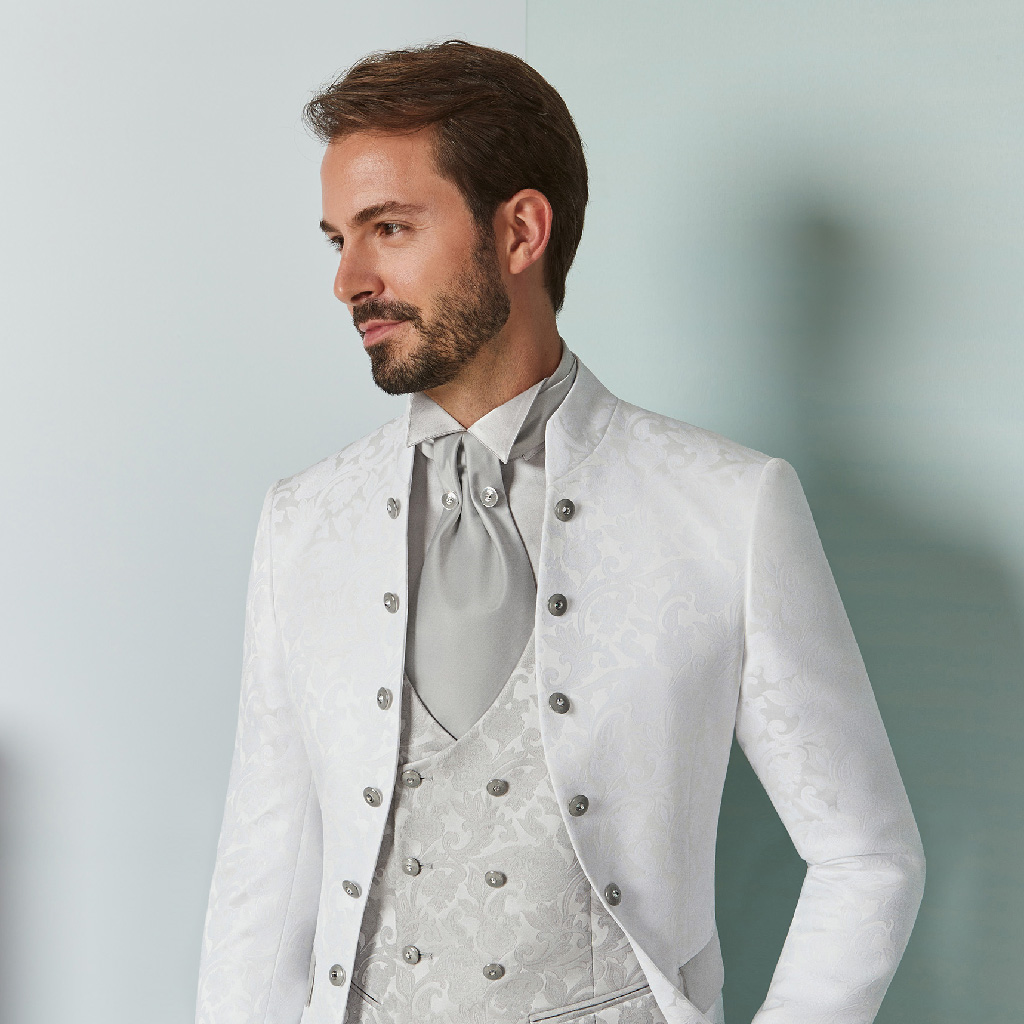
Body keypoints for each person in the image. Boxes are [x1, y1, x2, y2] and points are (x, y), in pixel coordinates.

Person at [195, 40, 924, 1024]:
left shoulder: (726, 507)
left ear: (520, 232)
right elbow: (261, 881)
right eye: (339, 240)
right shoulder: (303, 523)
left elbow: (866, 855)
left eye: (389, 228)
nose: (350, 279)